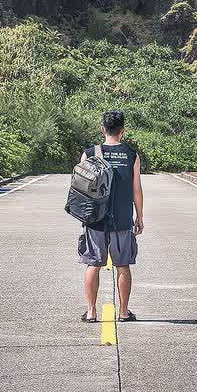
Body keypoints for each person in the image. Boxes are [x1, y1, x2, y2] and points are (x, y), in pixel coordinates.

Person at [78, 109, 144, 323]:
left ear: (102, 129)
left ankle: (91, 312)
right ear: (122, 131)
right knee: (122, 265)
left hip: (95, 219)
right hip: (122, 218)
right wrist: (139, 216)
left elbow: (80, 188)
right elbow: (136, 189)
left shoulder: (90, 153)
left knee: (93, 263)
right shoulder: (131, 155)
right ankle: (123, 312)